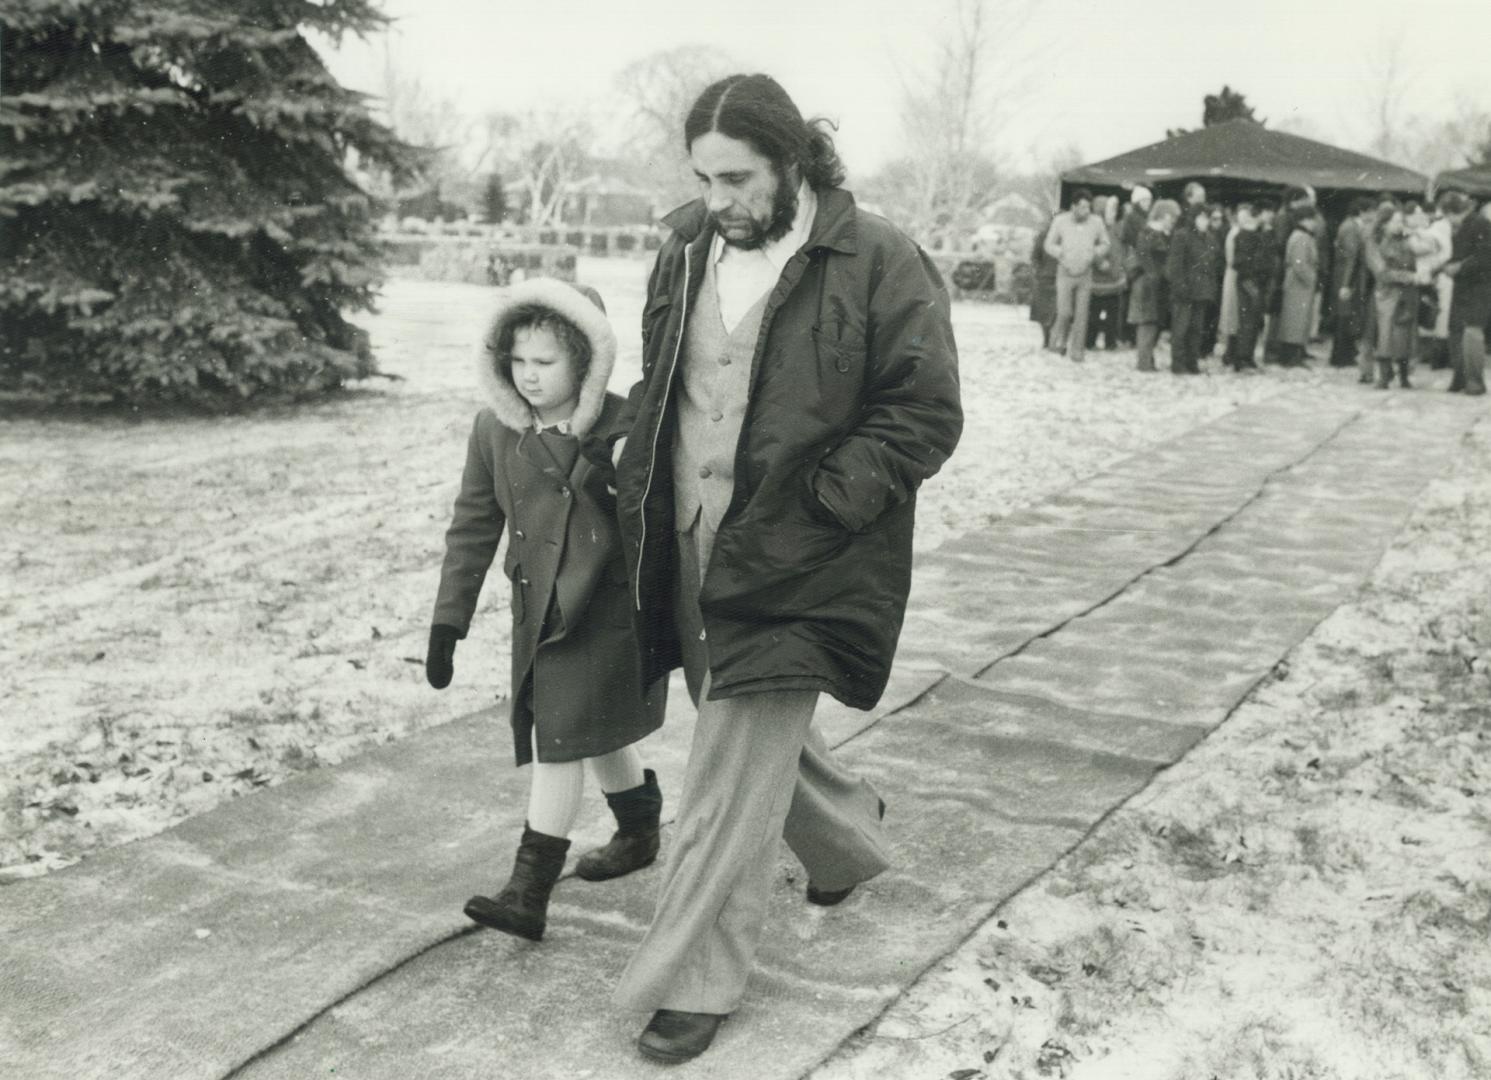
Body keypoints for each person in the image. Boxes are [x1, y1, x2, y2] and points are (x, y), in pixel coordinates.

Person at [608, 73, 962, 1064]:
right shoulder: (684, 250)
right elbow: (664, 382)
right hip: (683, 542)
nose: (715, 200)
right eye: (703, 177)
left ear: (793, 160)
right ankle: (847, 842)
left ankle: (695, 978)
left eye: (735, 177)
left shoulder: (882, 260)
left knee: (723, 773)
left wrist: (823, 505)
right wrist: (627, 468)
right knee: (749, 733)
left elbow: (925, 413)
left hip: (803, 560)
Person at [427, 279, 668, 943]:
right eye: (518, 362)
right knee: (591, 726)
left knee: (559, 735)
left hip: (608, 610)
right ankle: (640, 825)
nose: (529, 378)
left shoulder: (623, 425)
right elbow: (474, 525)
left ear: (586, 362)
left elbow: (659, 519)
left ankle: (527, 891)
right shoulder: (495, 431)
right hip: (540, 611)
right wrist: (449, 620)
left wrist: (616, 472)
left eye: (547, 363)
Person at [1044, 187, 1110, 361]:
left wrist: (1094, 253)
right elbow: (1049, 244)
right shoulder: (1060, 221)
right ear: (1073, 206)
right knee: (1065, 312)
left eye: (1088, 207)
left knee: (1082, 315)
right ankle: (1056, 342)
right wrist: (1061, 252)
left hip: (1085, 273)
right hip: (1065, 272)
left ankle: (1077, 352)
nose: (1085, 211)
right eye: (1082, 207)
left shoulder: (1096, 222)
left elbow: (1105, 243)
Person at [1364, 205, 1421, 389]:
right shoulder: (1374, 242)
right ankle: (1384, 375)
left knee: (1405, 335)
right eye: (1395, 221)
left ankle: (1404, 375)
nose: (1399, 225)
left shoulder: (1406, 240)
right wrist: (1408, 277)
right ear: (1384, 223)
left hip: (1407, 294)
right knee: (1386, 334)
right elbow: (1381, 272)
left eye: (1401, 221)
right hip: (1386, 294)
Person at [1442, 191, 1491, 396]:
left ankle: (1475, 382)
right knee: (1455, 331)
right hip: (1462, 286)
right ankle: (1459, 378)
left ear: (1452, 211)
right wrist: (1446, 265)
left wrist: (1459, 267)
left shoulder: (1481, 223)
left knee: (1472, 333)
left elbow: (1485, 257)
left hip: (1478, 287)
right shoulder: (1462, 226)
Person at [1166, 204, 1217, 374]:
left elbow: (1211, 265)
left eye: (1206, 218)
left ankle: (1192, 362)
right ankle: (1178, 363)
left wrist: (1210, 289)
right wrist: (1180, 287)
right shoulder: (1182, 236)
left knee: (1196, 330)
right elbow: (1175, 265)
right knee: (1181, 329)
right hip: (1185, 292)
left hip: (1201, 292)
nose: (1204, 221)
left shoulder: (1209, 238)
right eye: (1201, 217)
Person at [1129, 198, 1178, 371]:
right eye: (1172, 218)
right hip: (1147, 284)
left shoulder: (1156, 233)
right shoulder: (1149, 233)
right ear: (1164, 216)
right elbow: (1146, 260)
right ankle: (1144, 362)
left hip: (1153, 283)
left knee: (1152, 323)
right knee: (1147, 323)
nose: (1173, 222)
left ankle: (1147, 360)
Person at [1331, 197, 1374, 368]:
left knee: (1349, 316)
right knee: (1345, 316)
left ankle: (1346, 353)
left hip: (1350, 277)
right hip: (1348, 278)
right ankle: (1341, 356)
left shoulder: (1353, 226)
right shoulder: (1351, 228)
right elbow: (1351, 257)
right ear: (1362, 211)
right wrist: (1346, 284)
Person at [1277, 210, 1321, 365]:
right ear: (1305, 220)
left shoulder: (1304, 236)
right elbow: (1299, 264)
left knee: (1300, 320)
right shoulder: (1301, 237)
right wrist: (1312, 279)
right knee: (1294, 320)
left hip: (1301, 284)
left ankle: (1298, 351)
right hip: (1297, 285)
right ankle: (1290, 355)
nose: (1315, 224)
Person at [1231, 204, 1272, 369]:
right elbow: (1241, 262)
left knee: (1252, 321)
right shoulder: (1247, 235)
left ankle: (1245, 356)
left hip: (1251, 281)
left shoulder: (1252, 234)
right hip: (1249, 282)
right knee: (1248, 321)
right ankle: (1242, 357)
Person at [1086, 195, 1125, 351]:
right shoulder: (1095, 229)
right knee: (1094, 314)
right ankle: (1090, 341)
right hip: (1098, 280)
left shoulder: (1116, 229)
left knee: (1113, 315)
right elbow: (1088, 248)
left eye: (1115, 210)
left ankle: (1110, 341)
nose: (1113, 213)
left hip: (1114, 280)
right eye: (1110, 210)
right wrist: (1098, 262)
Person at [1116, 185, 1153, 345]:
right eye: (1144, 200)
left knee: (1135, 300)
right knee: (1131, 300)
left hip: (1140, 263)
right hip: (1135, 264)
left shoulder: (1146, 217)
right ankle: (1126, 334)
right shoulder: (1133, 218)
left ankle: (1129, 334)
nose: (1147, 203)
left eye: (1149, 200)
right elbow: (1131, 240)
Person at [1029, 217, 1059, 346]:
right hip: (1044, 278)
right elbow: (1035, 256)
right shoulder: (1043, 236)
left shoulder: (1066, 237)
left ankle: (1053, 338)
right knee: (1043, 312)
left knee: (1057, 311)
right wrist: (1037, 270)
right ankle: (1046, 338)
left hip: (1061, 278)